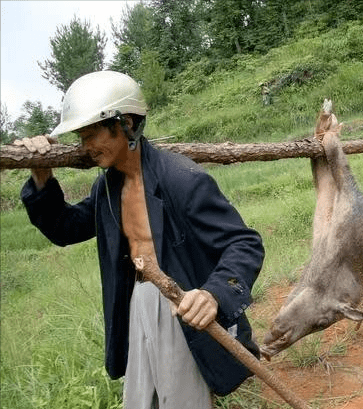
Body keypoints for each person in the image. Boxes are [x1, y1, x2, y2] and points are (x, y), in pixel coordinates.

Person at [17, 70, 265, 408]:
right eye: (80, 137)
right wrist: (41, 176)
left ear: (127, 124)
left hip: (179, 303)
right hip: (135, 301)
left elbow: (244, 243)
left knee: (182, 400)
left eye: (92, 134)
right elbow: (67, 228)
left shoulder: (182, 179)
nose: (85, 147)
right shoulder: (107, 186)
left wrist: (213, 294)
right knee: (140, 400)